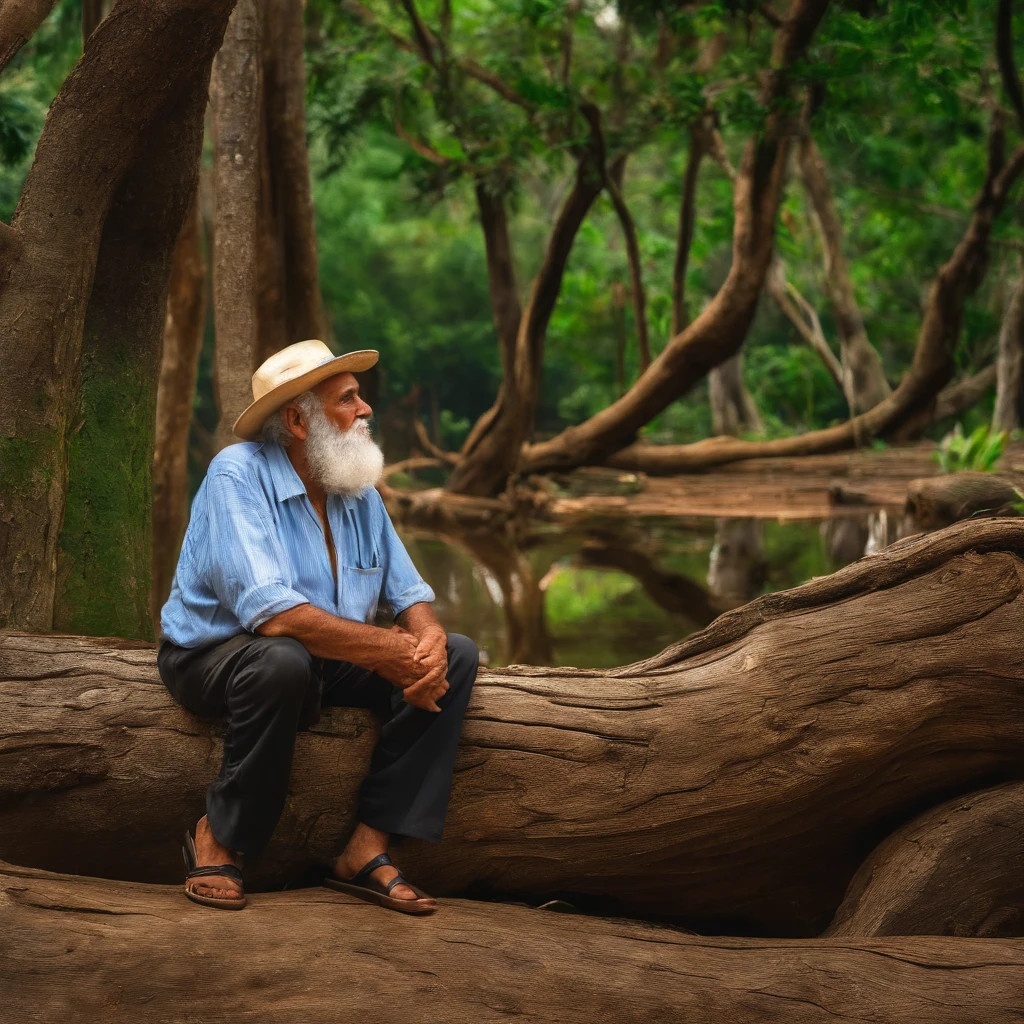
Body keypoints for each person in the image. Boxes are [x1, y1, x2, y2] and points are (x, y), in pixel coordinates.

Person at [158, 340, 478, 914]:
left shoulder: (355, 487)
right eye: (348, 399)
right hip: (214, 657)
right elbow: (274, 616)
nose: (366, 410)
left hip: (324, 658)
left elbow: (409, 595)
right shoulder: (236, 474)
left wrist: (425, 640)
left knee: (456, 655)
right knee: (284, 660)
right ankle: (220, 835)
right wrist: (387, 651)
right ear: (296, 420)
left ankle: (367, 846)